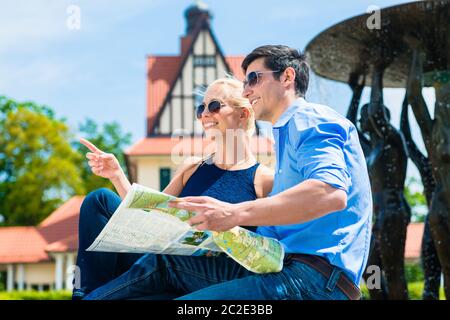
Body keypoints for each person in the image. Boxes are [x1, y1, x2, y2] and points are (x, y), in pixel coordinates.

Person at [83, 45, 372, 300]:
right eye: (201, 107)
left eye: (254, 79)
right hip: (285, 270)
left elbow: (330, 193)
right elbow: (154, 215)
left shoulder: (307, 120)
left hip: (310, 279)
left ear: (287, 77)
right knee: (100, 203)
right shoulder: (283, 141)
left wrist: (232, 215)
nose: (248, 90)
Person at [72, 77, 274, 300]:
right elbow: (148, 214)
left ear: (243, 114)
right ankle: (85, 293)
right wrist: (117, 175)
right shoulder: (192, 167)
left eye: (215, 106)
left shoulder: (262, 179)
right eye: (201, 108)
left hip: (206, 276)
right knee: (99, 200)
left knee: (162, 261)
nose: (205, 114)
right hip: (160, 259)